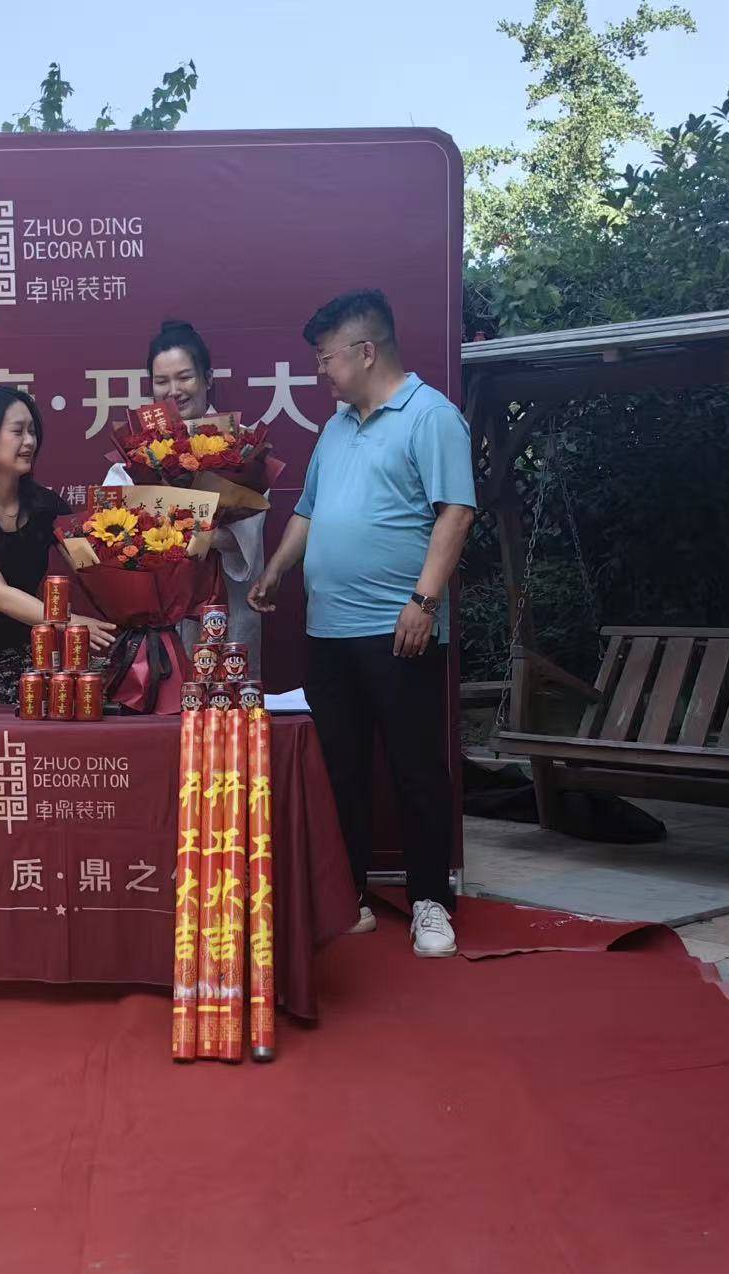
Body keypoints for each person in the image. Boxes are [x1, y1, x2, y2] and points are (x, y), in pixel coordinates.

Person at [250, 290, 476, 958]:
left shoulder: (430, 417)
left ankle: (430, 902)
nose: (320, 371)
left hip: (398, 627)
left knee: (415, 768)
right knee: (339, 771)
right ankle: (344, 897)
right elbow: (309, 510)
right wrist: (277, 569)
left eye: (326, 358)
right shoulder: (337, 427)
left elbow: (456, 512)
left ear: (366, 351)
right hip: (329, 632)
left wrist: (423, 602)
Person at [0, 387, 114, 703]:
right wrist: (69, 622)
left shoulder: (46, 506)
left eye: (32, 431)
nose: (30, 441)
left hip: (30, 659)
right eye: (18, 431)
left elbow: (89, 567)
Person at [104, 320, 267, 664]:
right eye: (161, 381)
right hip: (159, 618)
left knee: (226, 689)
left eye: (185, 377)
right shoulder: (138, 449)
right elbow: (110, 519)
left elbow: (245, 537)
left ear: (208, 379)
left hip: (226, 610)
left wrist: (194, 533)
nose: (173, 390)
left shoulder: (241, 444)